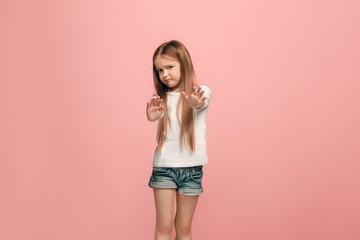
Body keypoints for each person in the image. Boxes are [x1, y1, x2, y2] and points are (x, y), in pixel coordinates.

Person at [146, 40, 212, 240]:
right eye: (159, 70)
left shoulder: (202, 92)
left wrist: (194, 102)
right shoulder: (159, 99)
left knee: (183, 228)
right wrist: (151, 115)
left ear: (184, 63)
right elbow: (153, 114)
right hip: (164, 168)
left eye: (169, 67)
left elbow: (201, 103)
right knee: (164, 227)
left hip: (192, 169)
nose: (164, 74)